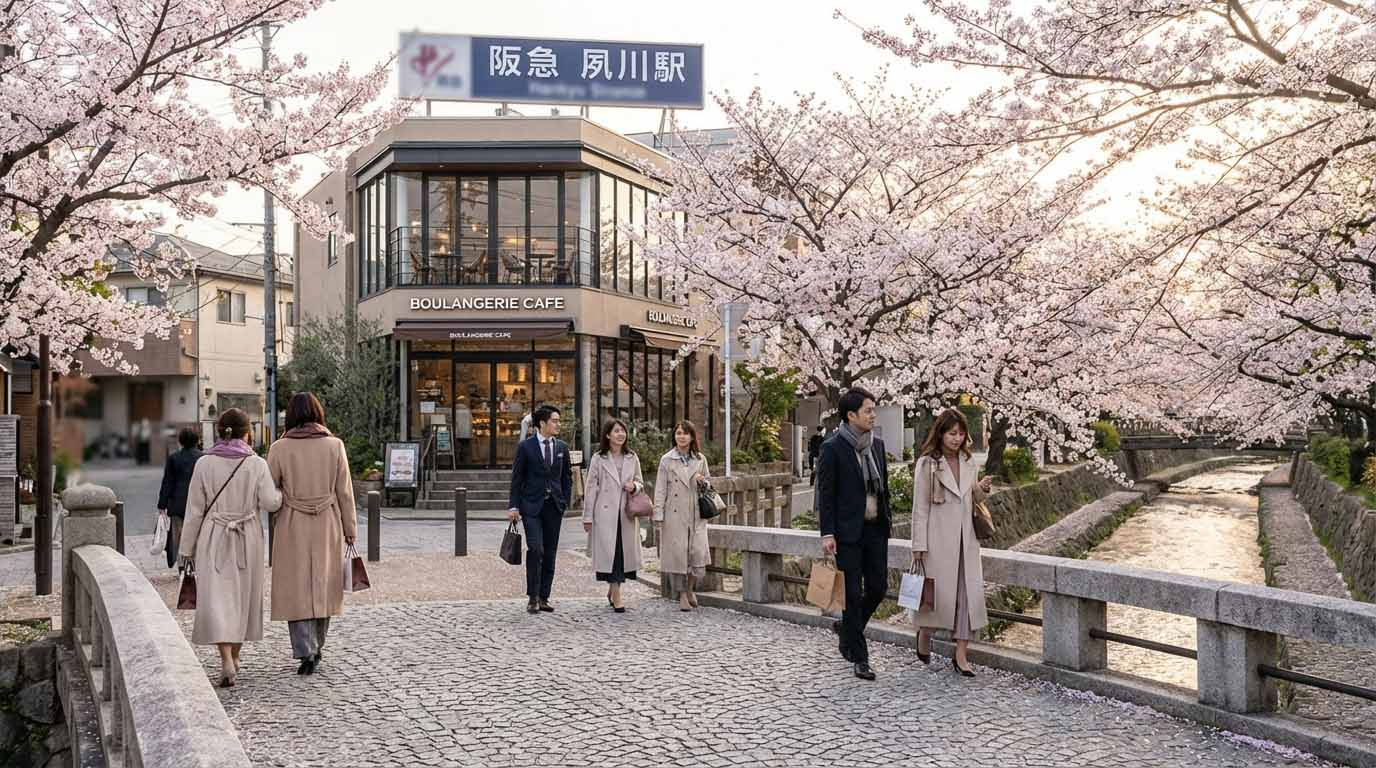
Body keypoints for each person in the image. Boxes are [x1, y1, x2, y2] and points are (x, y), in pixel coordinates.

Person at [178, 408, 281, 688]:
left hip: (214, 536)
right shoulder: (256, 464)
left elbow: (195, 511)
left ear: (219, 432)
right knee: (243, 596)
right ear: (248, 433)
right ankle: (235, 657)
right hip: (247, 536)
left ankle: (224, 658)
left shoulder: (204, 464)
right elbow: (271, 503)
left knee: (218, 596)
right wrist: (281, 495)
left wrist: (186, 548)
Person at [266, 392, 358, 675]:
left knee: (296, 587)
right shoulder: (335, 445)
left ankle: (305, 649)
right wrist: (350, 528)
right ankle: (318, 645)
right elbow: (344, 491)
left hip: (292, 522)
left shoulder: (279, 448)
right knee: (324, 584)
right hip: (327, 521)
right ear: (318, 413)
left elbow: (270, 491)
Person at [911, 408, 993, 678]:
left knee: (967, 597)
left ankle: (961, 655)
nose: (957, 439)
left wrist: (981, 488)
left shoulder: (969, 462)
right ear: (941, 433)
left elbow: (969, 499)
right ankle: (924, 634)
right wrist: (919, 546)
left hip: (966, 540)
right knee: (934, 598)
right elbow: (920, 508)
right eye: (951, 433)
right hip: (937, 542)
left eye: (961, 434)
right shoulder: (927, 464)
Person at [817, 388, 891, 681]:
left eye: (874, 410)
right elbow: (826, 494)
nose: (873, 415)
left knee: (878, 588)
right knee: (852, 593)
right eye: (868, 410)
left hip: (875, 529)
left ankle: (849, 629)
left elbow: (882, 487)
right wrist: (827, 533)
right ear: (851, 415)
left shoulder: (878, 446)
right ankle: (860, 658)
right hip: (847, 532)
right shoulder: (833, 448)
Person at [507, 405, 573, 614]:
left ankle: (544, 596)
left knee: (551, 552)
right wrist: (514, 506)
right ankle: (532, 596)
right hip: (531, 506)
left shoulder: (562, 447)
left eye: (558, 421)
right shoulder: (525, 447)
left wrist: (564, 502)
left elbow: (566, 478)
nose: (558, 424)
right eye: (554, 420)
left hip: (554, 506)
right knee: (536, 549)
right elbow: (517, 478)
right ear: (542, 423)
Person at [582, 418, 645, 613]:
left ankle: (613, 589)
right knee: (612, 553)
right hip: (605, 514)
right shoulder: (598, 458)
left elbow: (640, 482)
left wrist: (634, 486)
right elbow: (590, 488)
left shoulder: (632, 457)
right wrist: (587, 516)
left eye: (623, 431)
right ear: (608, 435)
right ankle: (617, 595)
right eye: (616, 431)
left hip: (626, 513)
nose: (620, 434)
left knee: (622, 554)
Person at [653, 420, 711, 612]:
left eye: (685, 433)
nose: (681, 436)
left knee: (697, 553)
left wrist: (704, 482)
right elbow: (660, 489)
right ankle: (682, 595)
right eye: (678, 433)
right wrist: (658, 514)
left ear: (692, 436)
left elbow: (709, 484)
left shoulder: (700, 459)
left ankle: (690, 587)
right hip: (674, 513)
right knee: (678, 557)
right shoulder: (666, 460)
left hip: (695, 513)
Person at [157, 427, 202, 568]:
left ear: (181, 441)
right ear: (197, 440)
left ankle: (182, 564)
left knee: (178, 536)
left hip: (177, 504)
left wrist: (162, 504)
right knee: (197, 534)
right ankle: (194, 562)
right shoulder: (203, 458)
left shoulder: (173, 458)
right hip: (198, 503)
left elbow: (167, 482)